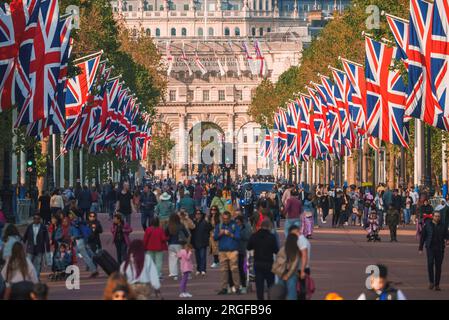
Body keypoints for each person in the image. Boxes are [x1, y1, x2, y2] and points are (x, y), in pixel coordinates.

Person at [247, 219, 278, 300]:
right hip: (269, 263)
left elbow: (248, 247)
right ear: (268, 227)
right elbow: (276, 250)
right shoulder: (271, 237)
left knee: (259, 285)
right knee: (271, 284)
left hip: (258, 263)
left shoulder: (254, 236)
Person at [419, 211, 449, 291]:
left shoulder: (443, 226)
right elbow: (423, 237)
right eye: (436, 216)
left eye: (438, 216)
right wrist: (420, 248)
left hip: (440, 248)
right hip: (430, 248)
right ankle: (431, 282)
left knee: (438, 266)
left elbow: (447, 235)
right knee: (430, 263)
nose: (437, 218)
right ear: (433, 216)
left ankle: (437, 284)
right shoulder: (427, 225)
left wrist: (447, 240)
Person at [214, 211, 241, 295]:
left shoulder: (234, 226)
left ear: (230, 218)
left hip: (233, 250)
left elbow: (238, 237)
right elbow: (215, 238)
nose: (225, 220)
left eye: (227, 218)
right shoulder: (219, 226)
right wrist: (220, 234)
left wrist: (230, 234)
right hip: (222, 251)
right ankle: (224, 288)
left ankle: (237, 288)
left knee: (234, 270)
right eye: (224, 218)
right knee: (223, 270)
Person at [272, 233, 300, 300]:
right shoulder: (296, 250)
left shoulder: (282, 249)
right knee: (291, 293)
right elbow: (294, 265)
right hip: (291, 274)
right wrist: (288, 275)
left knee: (280, 293)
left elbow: (278, 260)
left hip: (281, 272)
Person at [22, 214, 50, 279]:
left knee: (38, 263)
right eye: (35, 218)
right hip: (30, 248)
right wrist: (21, 244)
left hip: (40, 248)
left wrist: (47, 249)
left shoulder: (43, 227)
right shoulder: (29, 226)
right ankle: (29, 276)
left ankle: (36, 277)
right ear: (33, 219)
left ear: (40, 220)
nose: (36, 220)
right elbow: (25, 236)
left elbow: (46, 238)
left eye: (38, 219)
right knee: (29, 263)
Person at [289, 225, 311, 300]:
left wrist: (302, 271)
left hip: (301, 269)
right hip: (303, 268)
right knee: (301, 292)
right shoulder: (303, 240)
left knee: (300, 293)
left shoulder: (301, 241)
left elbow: (304, 256)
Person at [165, 213, 189, 281]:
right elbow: (187, 234)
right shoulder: (181, 225)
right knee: (182, 259)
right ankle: (183, 272)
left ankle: (174, 274)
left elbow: (165, 234)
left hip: (171, 244)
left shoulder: (168, 226)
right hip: (179, 244)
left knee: (172, 259)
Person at [191, 209, 212, 276]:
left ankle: (203, 269)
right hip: (195, 242)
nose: (198, 215)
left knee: (202, 256)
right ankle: (198, 269)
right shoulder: (193, 223)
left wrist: (208, 221)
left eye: (199, 213)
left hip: (203, 242)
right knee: (197, 257)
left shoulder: (204, 222)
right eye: (197, 214)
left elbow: (210, 228)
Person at [234, 215, 252, 293]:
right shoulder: (235, 227)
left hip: (244, 250)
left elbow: (247, 236)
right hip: (236, 250)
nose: (237, 223)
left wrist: (238, 234)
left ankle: (245, 285)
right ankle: (241, 285)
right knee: (238, 268)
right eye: (236, 222)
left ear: (241, 221)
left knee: (245, 269)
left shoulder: (246, 227)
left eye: (238, 222)